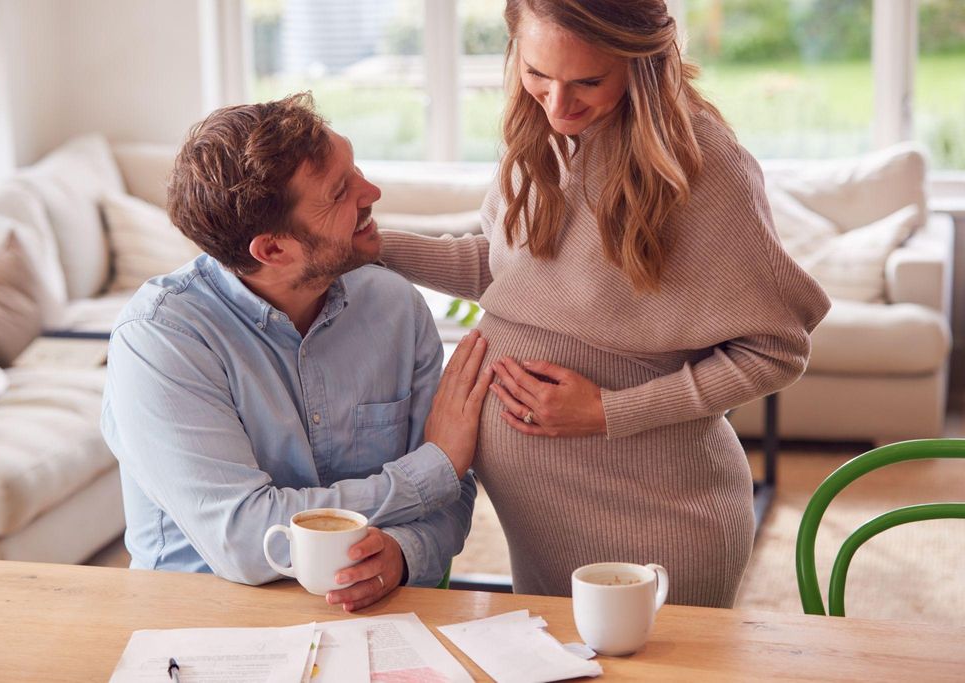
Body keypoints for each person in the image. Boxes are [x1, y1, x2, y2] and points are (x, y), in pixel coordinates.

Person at [379, 0, 830, 606]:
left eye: (588, 82)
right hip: (540, 524)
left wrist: (610, 411)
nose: (558, 105)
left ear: (641, 63)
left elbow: (776, 351)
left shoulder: (703, 163)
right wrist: (376, 247)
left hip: (657, 519)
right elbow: (507, 269)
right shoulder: (541, 133)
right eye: (538, 74)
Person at [101, 94, 492, 612]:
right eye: (339, 192)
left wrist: (403, 551)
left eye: (355, 170)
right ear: (273, 250)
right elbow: (247, 539)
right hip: (203, 625)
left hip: (372, 621)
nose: (371, 192)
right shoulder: (160, 340)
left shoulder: (395, 305)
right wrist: (434, 467)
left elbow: (451, 490)